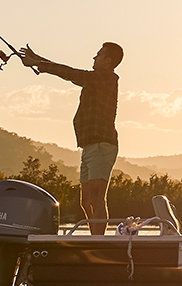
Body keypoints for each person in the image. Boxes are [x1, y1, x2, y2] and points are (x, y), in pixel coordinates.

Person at [20, 43, 122, 235]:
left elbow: (72, 74)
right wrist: (38, 60)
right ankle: (95, 238)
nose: (94, 58)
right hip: (89, 146)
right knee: (85, 201)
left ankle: (98, 242)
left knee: (97, 197)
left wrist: (39, 64)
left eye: (98, 55)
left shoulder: (106, 78)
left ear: (108, 60)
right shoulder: (95, 79)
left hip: (102, 145)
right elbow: (71, 73)